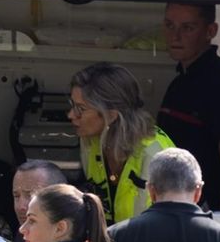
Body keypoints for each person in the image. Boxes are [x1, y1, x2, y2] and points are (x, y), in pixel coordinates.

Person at [157, 2, 220, 211]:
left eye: (187, 28)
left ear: (211, 31)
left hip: (202, 214)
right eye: (169, 25)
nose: (176, 36)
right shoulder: (180, 82)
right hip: (172, 209)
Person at [70, 62, 174, 225]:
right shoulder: (91, 143)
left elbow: (172, 224)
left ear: (111, 116)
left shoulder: (156, 154)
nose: (71, 115)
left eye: (80, 109)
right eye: (72, 106)